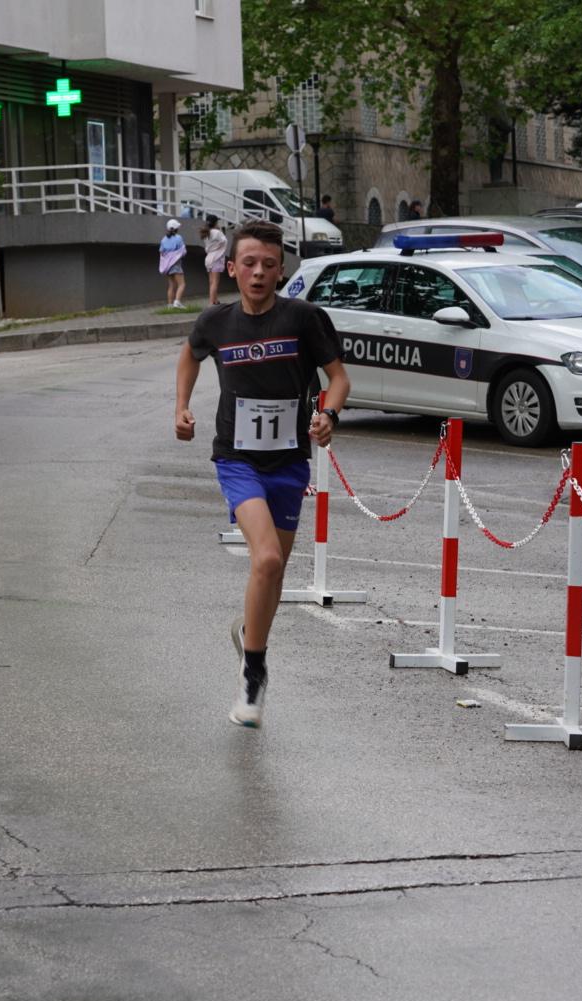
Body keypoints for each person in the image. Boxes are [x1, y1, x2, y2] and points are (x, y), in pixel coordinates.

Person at [174, 219, 351, 728]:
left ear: (281, 271)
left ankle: (248, 632)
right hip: (237, 459)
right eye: (248, 263)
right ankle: (254, 673)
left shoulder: (303, 319)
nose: (257, 272)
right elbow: (190, 354)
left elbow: (337, 378)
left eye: (268, 265)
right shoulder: (216, 322)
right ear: (230, 268)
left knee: (271, 574)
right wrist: (181, 407)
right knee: (267, 556)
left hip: (291, 460)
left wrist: (329, 415)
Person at [201, 215, 228, 306]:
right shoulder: (217, 232)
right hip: (216, 258)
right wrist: (222, 232)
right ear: (216, 223)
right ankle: (212, 303)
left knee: (211, 282)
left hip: (208, 258)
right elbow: (224, 241)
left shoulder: (206, 233)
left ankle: (215, 300)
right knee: (215, 282)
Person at [159, 218, 187, 308]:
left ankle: (170, 304)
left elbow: (161, 252)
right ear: (176, 228)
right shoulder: (178, 238)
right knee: (182, 284)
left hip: (167, 266)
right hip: (176, 264)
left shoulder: (163, 239)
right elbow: (183, 251)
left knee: (171, 285)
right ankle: (177, 302)